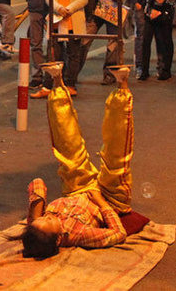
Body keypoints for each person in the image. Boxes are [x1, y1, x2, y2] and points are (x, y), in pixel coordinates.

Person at [12, 64, 134, 258]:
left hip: (76, 188)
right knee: (116, 156)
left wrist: (35, 215)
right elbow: (118, 234)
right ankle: (122, 84)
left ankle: (58, 81)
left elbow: (38, 184)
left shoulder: (39, 223)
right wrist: (103, 204)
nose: (50, 216)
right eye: (50, 222)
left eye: (45, 217)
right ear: (59, 239)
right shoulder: (77, 235)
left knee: (66, 144)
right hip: (109, 198)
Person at [36, 0, 88, 96]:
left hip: (73, 19)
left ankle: (70, 84)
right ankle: (48, 85)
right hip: (57, 19)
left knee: (73, 54)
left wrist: (69, 9)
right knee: (53, 54)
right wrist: (58, 8)